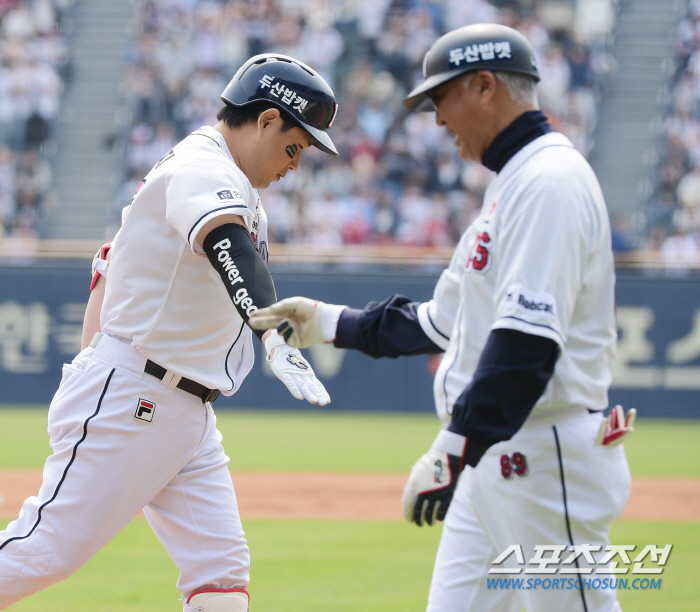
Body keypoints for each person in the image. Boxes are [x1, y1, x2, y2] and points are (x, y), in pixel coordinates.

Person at [250, 25, 635, 612]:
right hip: (495, 456)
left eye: (442, 98)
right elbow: (439, 323)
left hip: (539, 450)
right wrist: (327, 321)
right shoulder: (512, 185)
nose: (436, 119)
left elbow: (526, 345)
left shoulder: (548, 182)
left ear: (484, 86)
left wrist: (454, 447)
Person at [0, 53, 337, 612]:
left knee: (222, 577)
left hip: (183, 410)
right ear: (268, 120)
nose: (295, 164)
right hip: (141, 394)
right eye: (296, 146)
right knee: (44, 550)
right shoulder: (205, 168)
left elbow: (107, 262)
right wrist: (273, 335)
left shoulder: (221, 177)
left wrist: (94, 362)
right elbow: (225, 243)